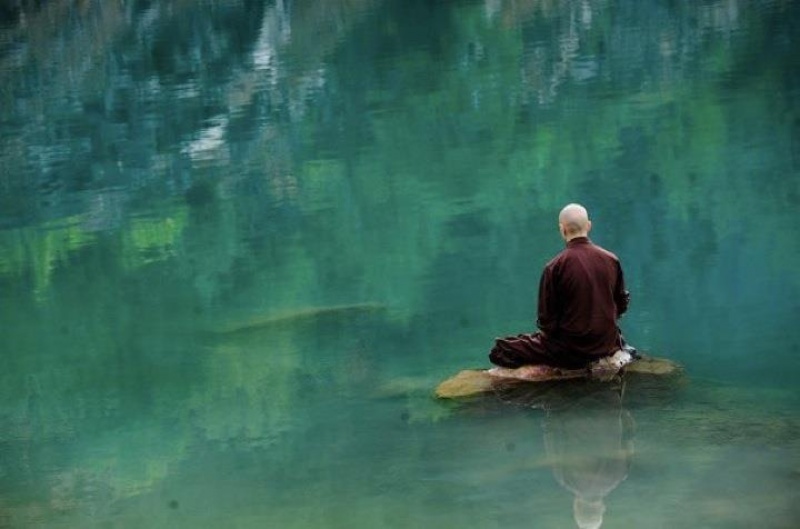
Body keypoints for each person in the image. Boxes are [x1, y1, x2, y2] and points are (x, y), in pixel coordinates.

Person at [489, 203, 631, 370]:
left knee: (502, 349)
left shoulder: (554, 267)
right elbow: (621, 305)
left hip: (570, 350)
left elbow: (546, 322)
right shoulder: (611, 259)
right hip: (606, 344)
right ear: (589, 226)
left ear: (562, 229)